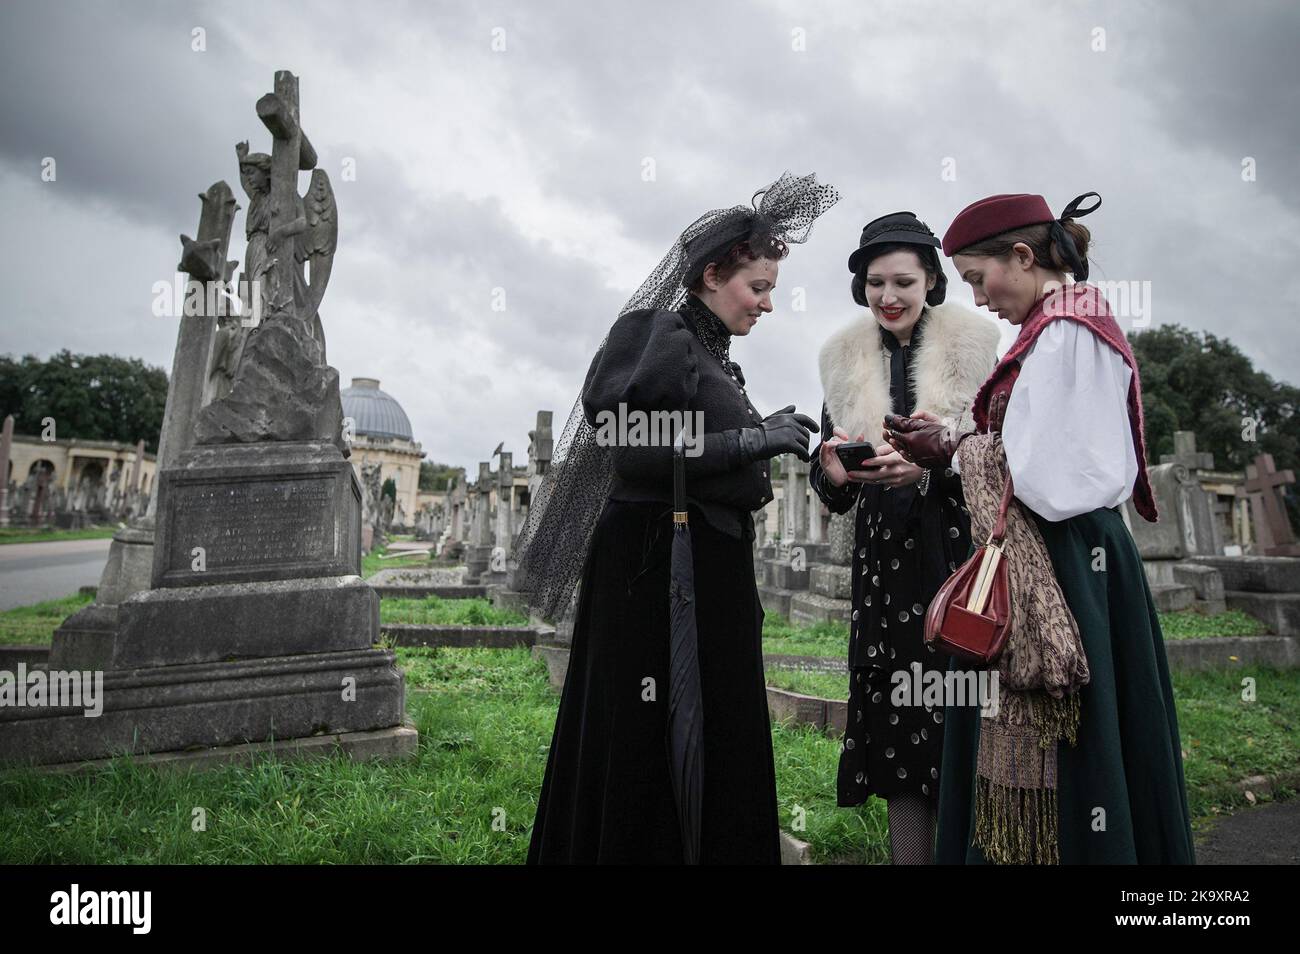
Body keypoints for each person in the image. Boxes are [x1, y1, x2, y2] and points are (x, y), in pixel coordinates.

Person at [519, 172, 839, 863]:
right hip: (653, 581)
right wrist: (751, 440)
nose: (768, 304)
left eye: (773, 291)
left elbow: (701, 447)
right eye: (758, 288)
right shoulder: (654, 333)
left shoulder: (715, 358)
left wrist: (765, 429)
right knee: (648, 731)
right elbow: (633, 447)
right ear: (712, 273)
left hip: (705, 573)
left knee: (715, 730)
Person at [886, 191, 1196, 864]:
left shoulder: (1066, 332)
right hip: (1057, 555)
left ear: (1022, 256)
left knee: (1069, 754)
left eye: (977, 279)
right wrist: (957, 438)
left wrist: (955, 450)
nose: (979, 298)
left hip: (1063, 562)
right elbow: (1033, 447)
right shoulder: (1056, 328)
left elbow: (1050, 482)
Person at [809, 212, 999, 864]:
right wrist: (831, 472)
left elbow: (998, 457)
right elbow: (828, 469)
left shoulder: (975, 346)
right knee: (898, 722)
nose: (888, 296)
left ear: (930, 282)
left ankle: (969, 855)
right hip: (883, 564)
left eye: (902, 281)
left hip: (956, 551)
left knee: (961, 716)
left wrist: (934, 462)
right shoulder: (839, 357)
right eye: (874, 282)